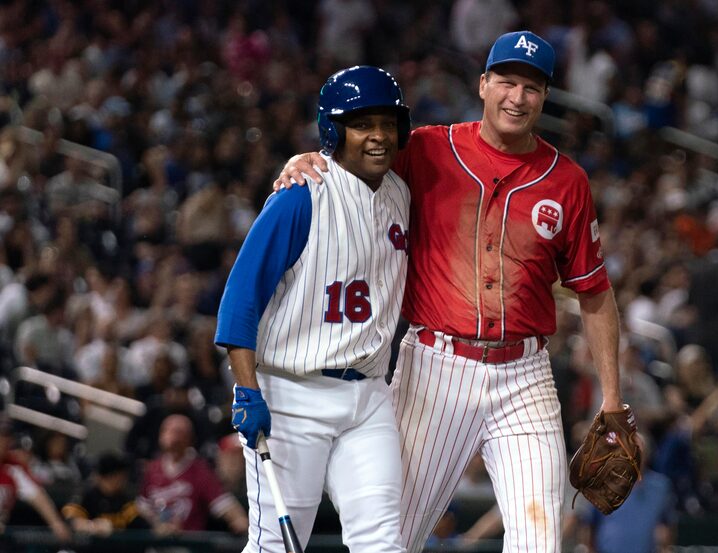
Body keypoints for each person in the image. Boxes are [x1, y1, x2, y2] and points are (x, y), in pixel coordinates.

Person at [275, 31, 632, 553]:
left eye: (531, 88)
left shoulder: (568, 181)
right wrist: (308, 160)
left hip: (525, 376)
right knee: (391, 537)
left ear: (545, 98)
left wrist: (614, 397)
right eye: (506, 81)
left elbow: (595, 292)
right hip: (435, 369)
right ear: (483, 84)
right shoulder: (427, 148)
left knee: (541, 540)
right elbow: (354, 164)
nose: (517, 97)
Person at [214, 65, 412, 552]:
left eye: (387, 123)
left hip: (369, 398)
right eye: (363, 124)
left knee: (384, 541)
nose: (379, 136)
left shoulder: (402, 194)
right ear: (334, 130)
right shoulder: (300, 197)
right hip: (292, 396)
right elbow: (240, 298)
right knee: (276, 546)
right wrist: (247, 391)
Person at [136, 414, 248, 535]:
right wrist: (158, 524)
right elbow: (142, 507)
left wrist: (238, 519)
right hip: (156, 543)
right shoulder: (152, 469)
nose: (172, 437)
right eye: (168, 431)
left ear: (189, 438)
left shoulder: (199, 470)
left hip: (188, 543)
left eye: (178, 432)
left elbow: (222, 503)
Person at [62, 451, 149, 536]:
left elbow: (142, 526)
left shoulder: (124, 499)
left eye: (121, 477)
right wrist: (92, 526)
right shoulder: (86, 495)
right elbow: (69, 520)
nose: (119, 481)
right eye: (113, 477)